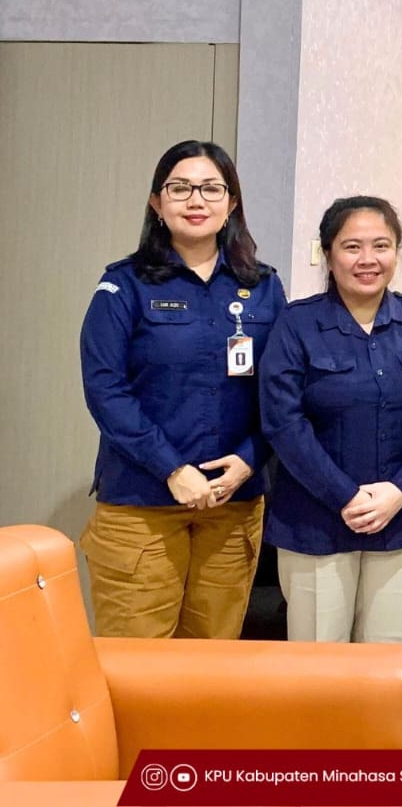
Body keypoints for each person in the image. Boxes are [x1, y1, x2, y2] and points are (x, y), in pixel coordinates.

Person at [79, 140, 286, 638]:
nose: (196, 200)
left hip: (232, 504)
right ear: (157, 202)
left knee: (211, 659)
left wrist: (250, 459)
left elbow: (283, 389)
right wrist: (171, 468)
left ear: (231, 202)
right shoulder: (124, 286)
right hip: (142, 502)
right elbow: (106, 389)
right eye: (180, 188)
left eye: (212, 188)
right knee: (138, 662)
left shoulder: (263, 286)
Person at [259, 197, 402, 644]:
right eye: (352, 247)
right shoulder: (297, 323)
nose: (368, 259)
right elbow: (283, 422)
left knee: (387, 659)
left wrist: (399, 491)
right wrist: (345, 496)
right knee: (319, 663)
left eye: (381, 245)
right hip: (314, 521)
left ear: (397, 251)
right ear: (328, 254)